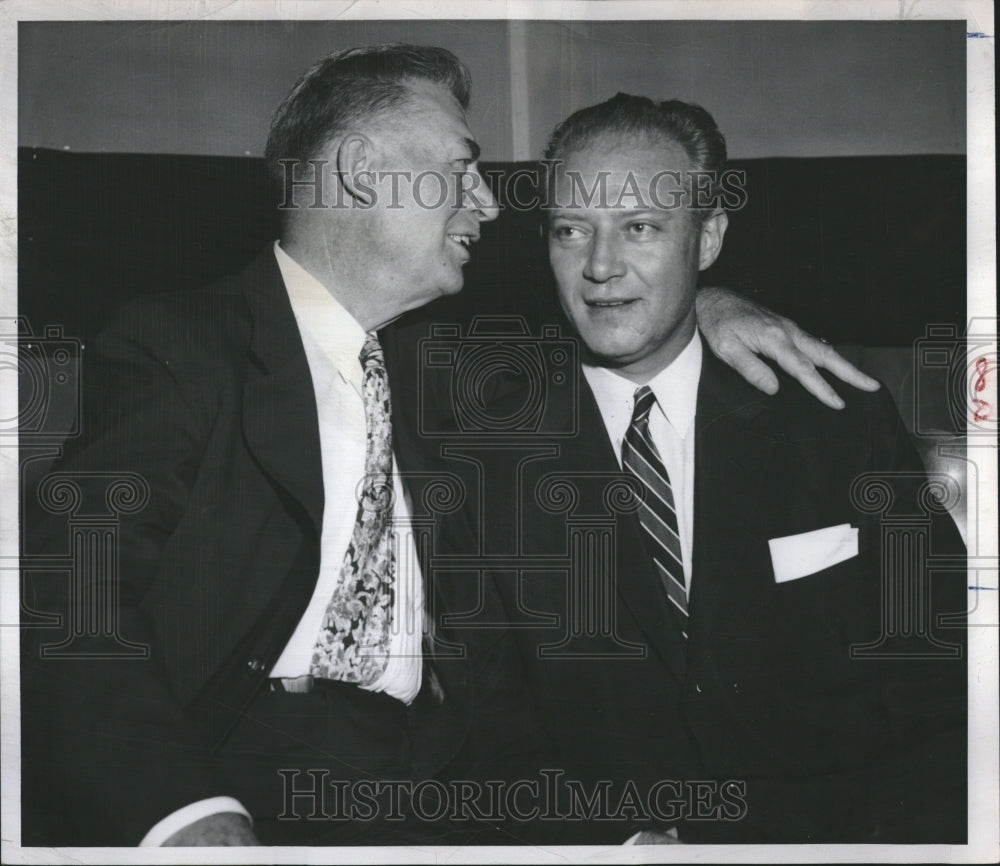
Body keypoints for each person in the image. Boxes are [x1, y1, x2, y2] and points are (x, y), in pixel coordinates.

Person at [20, 47, 877, 847]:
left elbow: (635, 320)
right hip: (244, 781)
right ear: (361, 172)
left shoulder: (448, 384)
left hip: (434, 800)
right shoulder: (184, 345)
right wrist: (181, 813)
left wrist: (712, 304)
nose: (490, 202)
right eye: (461, 168)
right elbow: (72, 593)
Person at [457, 94, 967, 843]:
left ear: (706, 240)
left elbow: (949, 685)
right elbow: (485, 731)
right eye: (572, 230)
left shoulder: (837, 424)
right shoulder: (486, 449)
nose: (601, 267)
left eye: (640, 228)